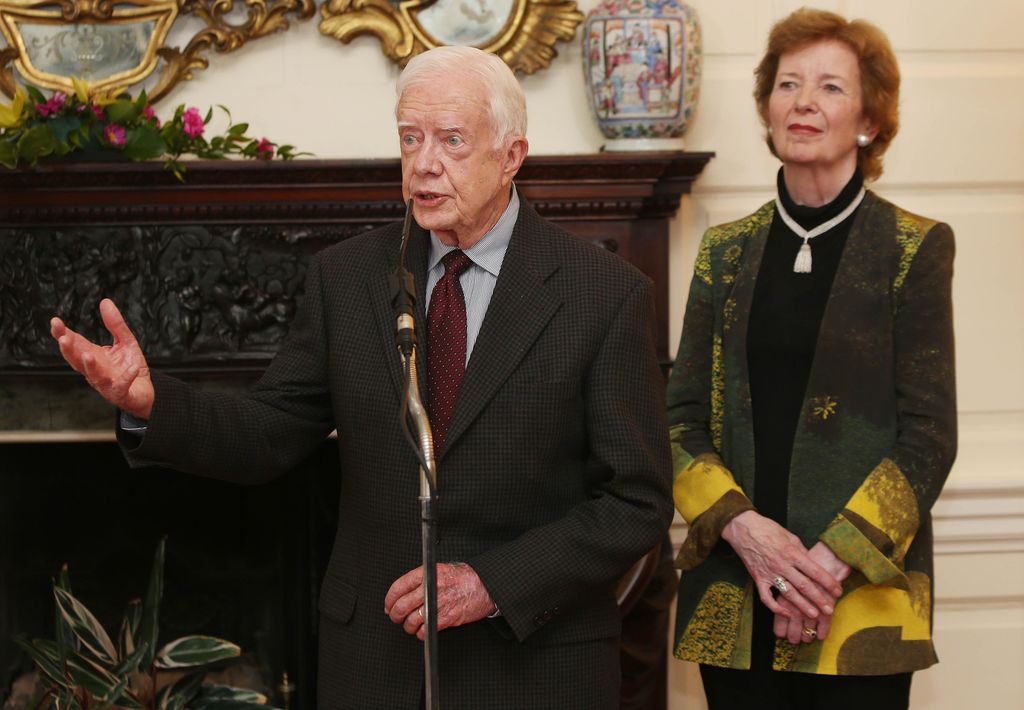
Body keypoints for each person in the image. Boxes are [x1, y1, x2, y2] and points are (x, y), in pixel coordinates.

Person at [49, 46, 673, 709]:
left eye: (452, 141)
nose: (424, 163)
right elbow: (269, 432)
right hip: (377, 661)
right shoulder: (346, 278)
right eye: (411, 138)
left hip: (534, 665)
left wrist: (492, 582)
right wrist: (151, 401)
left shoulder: (603, 293)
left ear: (511, 155)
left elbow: (633, 503)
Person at [667, 8, 956, 710]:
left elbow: (928, 439)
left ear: (868, 120)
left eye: (830, 87)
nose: (802, 101)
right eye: (788, 84)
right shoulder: (725, 252)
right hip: (737, 592)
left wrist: (823, 567)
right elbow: (680, 421)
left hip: (858, 605)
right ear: (768, 110)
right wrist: (746, 530)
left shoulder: (913, 249)